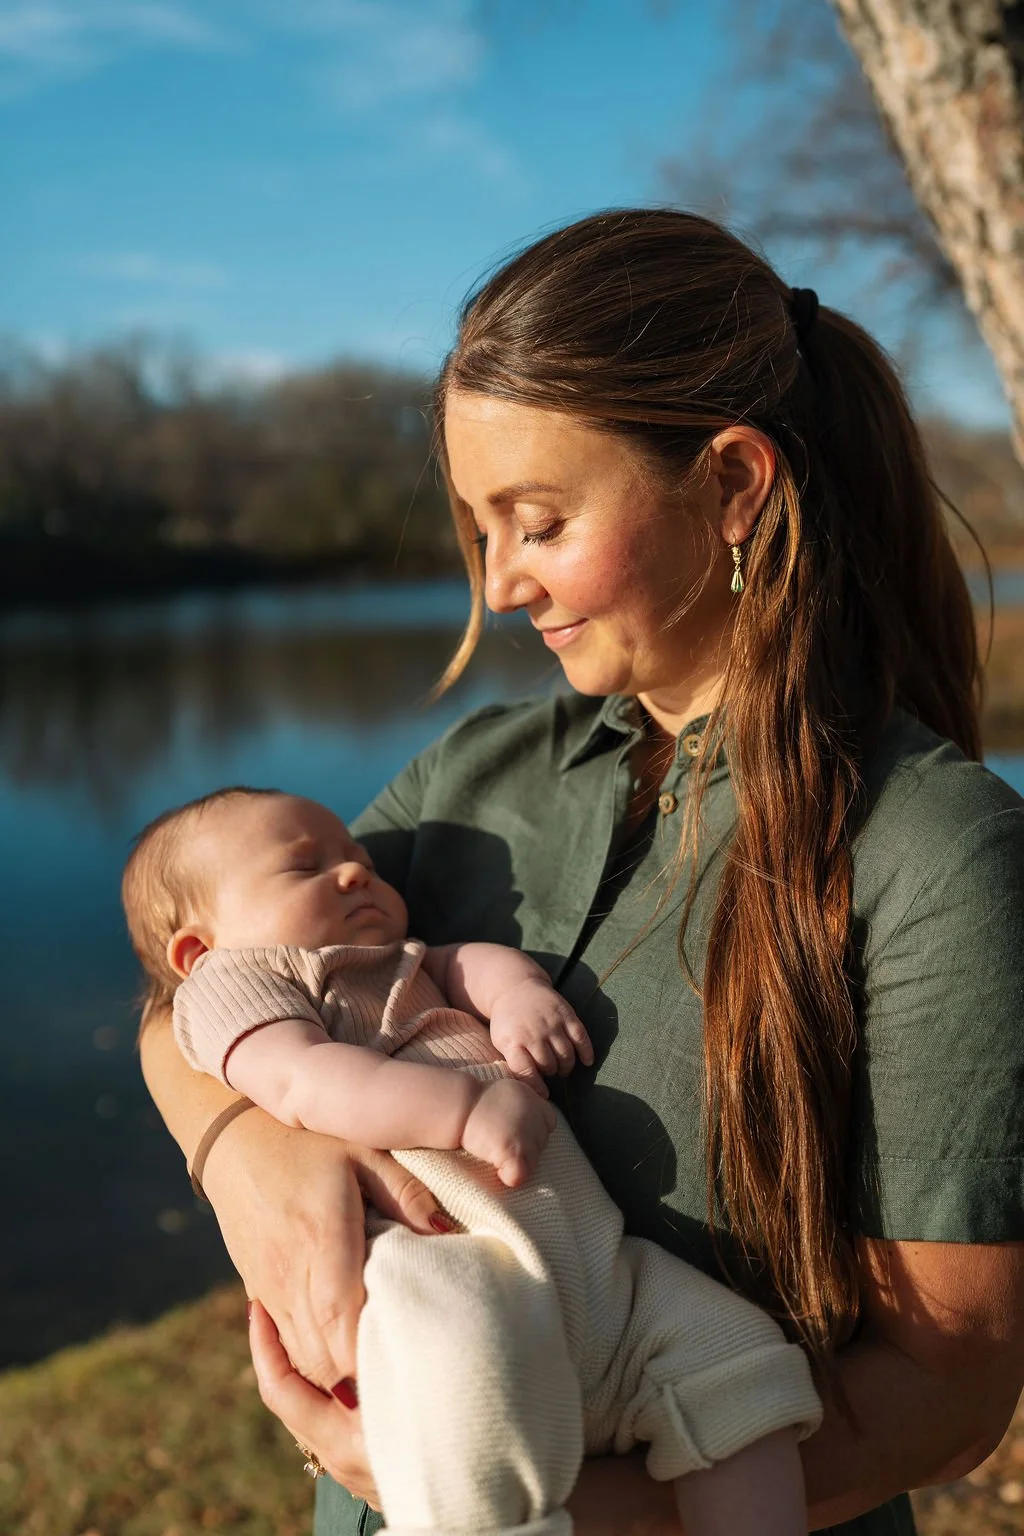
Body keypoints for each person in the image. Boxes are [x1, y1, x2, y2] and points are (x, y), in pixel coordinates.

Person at [138, 209, 1024, 1536]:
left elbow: (946, 1396)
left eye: (538, 524)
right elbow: (197, 988)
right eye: (480, 532)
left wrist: (486, 1498)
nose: (499, 587)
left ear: (732, 486)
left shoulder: (939, 860)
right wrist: (242, 1153)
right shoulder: (478, 777)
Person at [122, 785, 821, 1536]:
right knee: (466, 1402)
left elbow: (470, 964)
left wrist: (518, 994)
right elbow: (301, 1082)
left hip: (600, 1272)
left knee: (735, 1360)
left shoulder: (399, 958)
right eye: (305, 869)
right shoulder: (233, 985)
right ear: (197, 950)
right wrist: (463, 1109)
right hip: (450, 1261)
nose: (356, 871)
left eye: (356, 858)